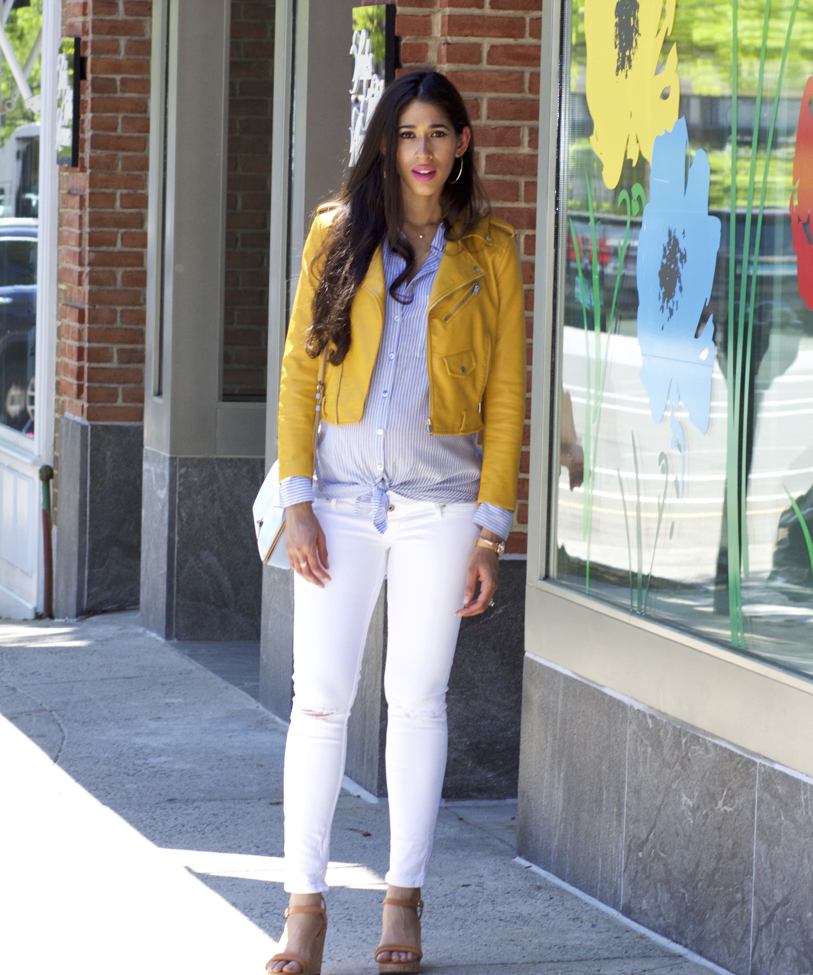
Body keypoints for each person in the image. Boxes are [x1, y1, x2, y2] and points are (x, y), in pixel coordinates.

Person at [266, 70, 525, 975]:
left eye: (437, 133)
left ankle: (402, 898)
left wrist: (490, 531)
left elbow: (503, 399)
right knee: (319, 697)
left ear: (460, 145)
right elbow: (301, 374)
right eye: (406, 132)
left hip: (440, 509)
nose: (421, 150)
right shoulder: (336, 236)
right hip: (336, 505)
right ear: (386, 143)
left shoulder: (490, 251)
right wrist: (297, 498)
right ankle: (304, 906)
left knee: (415, 701)